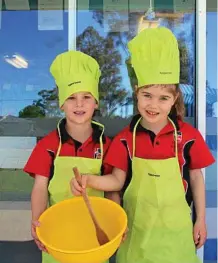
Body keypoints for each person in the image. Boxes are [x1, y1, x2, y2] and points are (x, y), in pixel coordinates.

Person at [71, 27, 215, 263]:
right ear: (137, 93)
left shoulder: (188, 137)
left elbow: (197, 178)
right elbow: (116, 182)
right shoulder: (126, 140)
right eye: (147, 95)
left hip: (176, 242)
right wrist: (88, 180)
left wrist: (200, 219)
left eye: (163, 98)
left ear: (175, 99)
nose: (153, 105)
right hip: (136, 243)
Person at [23, 50, 112, 263]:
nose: (79, 104)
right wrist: (36, 219)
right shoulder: (49, 145)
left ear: (96, 103)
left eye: (86, 97)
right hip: (57, 234)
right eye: (71, 98)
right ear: (62, 104)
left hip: (94, 235)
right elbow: (40, 187)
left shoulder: (106, 144)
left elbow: (113, 187)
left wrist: (115, 222)